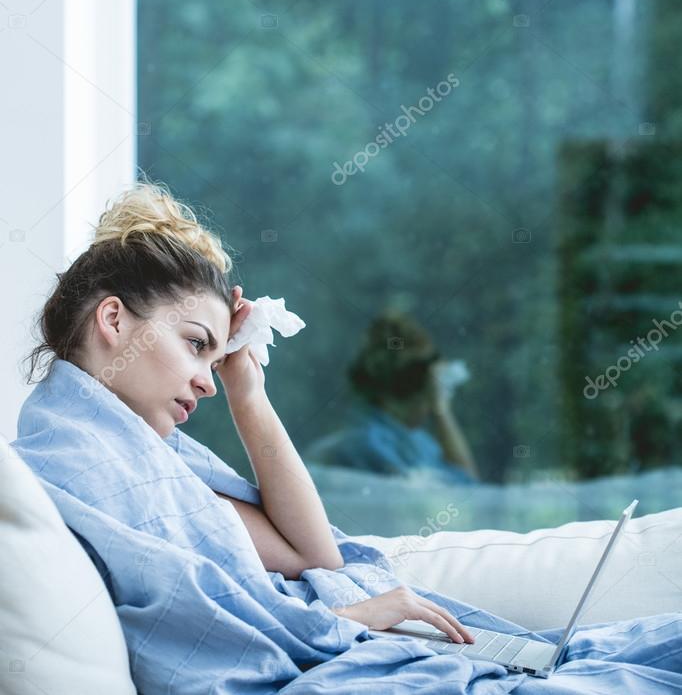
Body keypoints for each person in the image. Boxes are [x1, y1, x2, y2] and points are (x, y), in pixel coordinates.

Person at [10, 181, 682, 695]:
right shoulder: (75, 467)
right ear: (112, 320)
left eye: (215, 358)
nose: (207, 381)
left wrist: (250, 391)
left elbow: (313, 552)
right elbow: (207, 635)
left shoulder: (145, 462)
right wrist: (355, 620)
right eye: (196, 346)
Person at [304, 311, 480, 482]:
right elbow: (459, 490)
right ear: (424, 386)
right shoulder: (369, 444)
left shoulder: (416, 441)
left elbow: (466, 484)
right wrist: (440, 410)